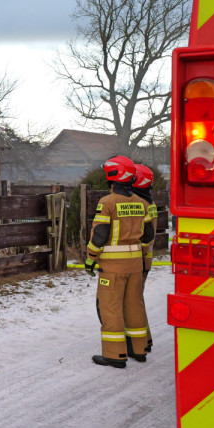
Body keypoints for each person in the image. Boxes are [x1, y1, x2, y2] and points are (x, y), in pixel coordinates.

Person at [84, 155, 154, 368]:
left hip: (113, 267)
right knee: (134, 305)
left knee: (111, 307)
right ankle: (139, 350)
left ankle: (115, 355)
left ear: (112, 176)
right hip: (135, 264)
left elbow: (99, 235)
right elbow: (148, 236)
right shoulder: (142, 203)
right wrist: (140, 255)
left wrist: (90, 259)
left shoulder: (107, 202)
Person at [131, 163, 156, 355]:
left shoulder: (139, 203)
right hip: (146, 259)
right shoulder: (150, 202)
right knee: (137, 300)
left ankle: (138, 344)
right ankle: (144, 340)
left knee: (132, 303)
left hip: (137, 259)